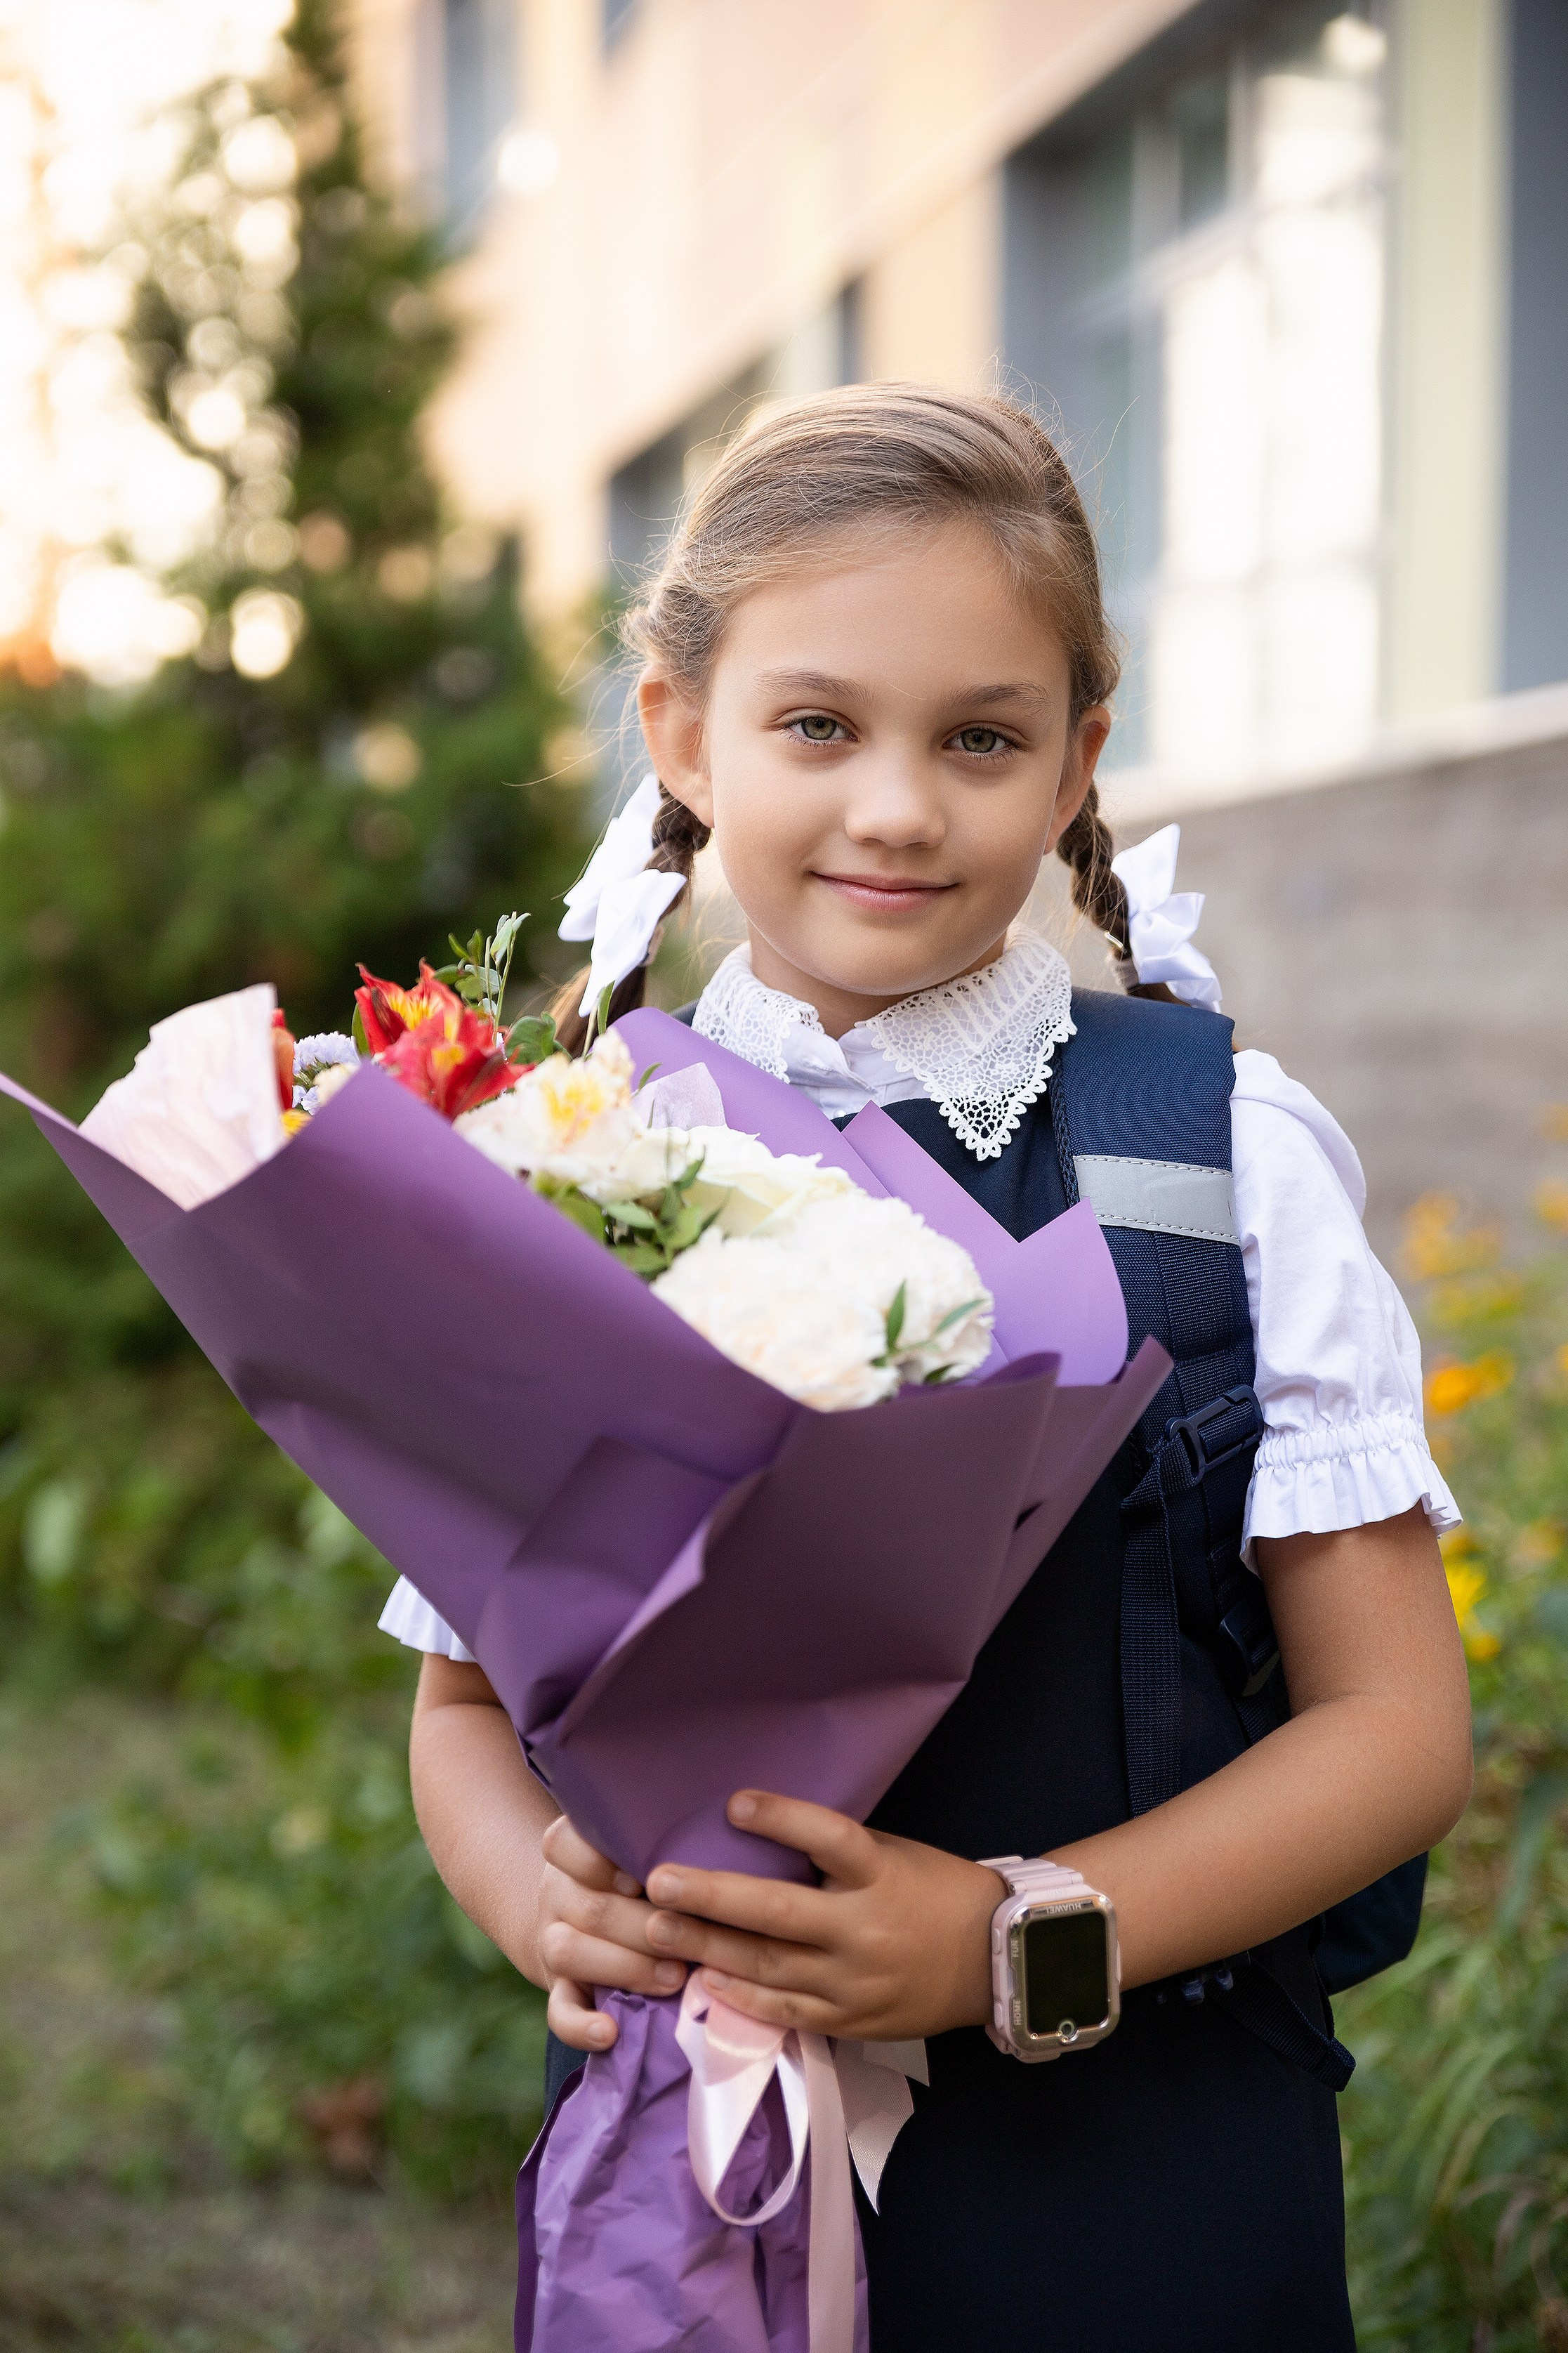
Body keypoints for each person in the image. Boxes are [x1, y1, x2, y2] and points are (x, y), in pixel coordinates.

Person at [382, 385, 1473, 2349]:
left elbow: (1394, 1733)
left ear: (1075, 763)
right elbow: (460, 1702)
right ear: (679, 731)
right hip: (690, 2174)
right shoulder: (552, 1166)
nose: (898, 805)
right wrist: (530, 1897)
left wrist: (1002, 1934)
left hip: (1135, 2177)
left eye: (978, 736)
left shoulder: (1212, 1148)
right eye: (819, 725)